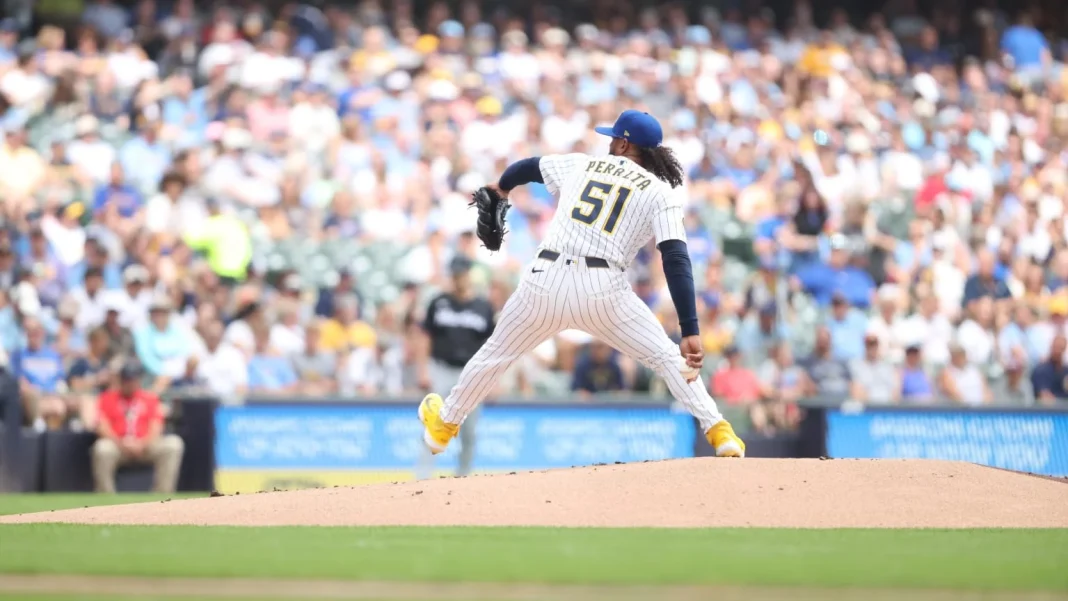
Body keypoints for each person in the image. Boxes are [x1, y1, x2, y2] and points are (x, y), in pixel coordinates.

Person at [417, 110, 745, 458]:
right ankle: (718, 431)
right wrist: (689, 327)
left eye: (612, 137)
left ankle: (445, 426)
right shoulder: (661, 193)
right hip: (603, 289)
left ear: (622, 142)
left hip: (545, 279)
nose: (608, 142)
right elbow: (676, 259)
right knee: (666, 357)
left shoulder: (581, 164)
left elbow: (527, 166)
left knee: (495, 355)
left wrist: (502, 187)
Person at [417, 255, 494, 478]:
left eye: (462, 273)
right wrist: (423, 370)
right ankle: (422, 478)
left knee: (469, 431)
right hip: (440, 368)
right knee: (432, 423)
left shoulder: (483, 306)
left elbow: (492, 345)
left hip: (471, 373)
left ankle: (463, 478)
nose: (458, 278)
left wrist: (491, 379)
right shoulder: (438, 302)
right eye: (455, 274)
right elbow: (425, 337)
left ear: (469, 274)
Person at [91, 362, 185, 493]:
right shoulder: (107, 398)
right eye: (126, 380)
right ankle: (106, 497)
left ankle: (162, 495)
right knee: (102, 448)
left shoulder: (149, 398)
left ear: (138, 380)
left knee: (173, 444)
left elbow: (156, 427)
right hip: (118, 446)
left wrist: (141, 444)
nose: (129, 383)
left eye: (132, 380)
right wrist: (121, 443)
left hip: (145, 446)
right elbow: (102, 427)